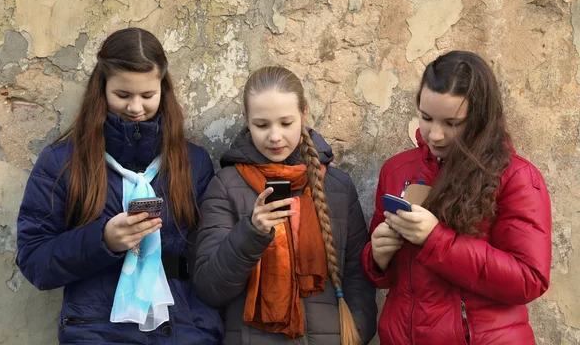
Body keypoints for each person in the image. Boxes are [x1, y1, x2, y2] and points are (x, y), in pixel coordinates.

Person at [16, 27, 223, 344]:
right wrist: (103, 240)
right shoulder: (61, 162)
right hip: (97, 329)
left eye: (148, 95)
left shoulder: (192, 162)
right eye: (123, 95)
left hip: (183, 327)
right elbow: (34, 261)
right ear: (102, 89)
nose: (136, 108)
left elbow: (207, 258)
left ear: (163, 90)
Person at [361, 51, 552, 344]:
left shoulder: (516, 177)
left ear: (480, 119)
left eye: (451, 123)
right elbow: (385, 277)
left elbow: (529, 279)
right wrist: (377, 256)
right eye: (426, 117)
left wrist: (436, 240)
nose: (434, 134)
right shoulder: (397, 170)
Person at [192, 66, 377, 344]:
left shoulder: (338, 187)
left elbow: (356, 277)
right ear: (246, 120)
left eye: (286, 123)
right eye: (262, 125)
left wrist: (356, 333)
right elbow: (209, 287)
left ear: (304, 115)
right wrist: (251, 233)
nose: (275, 137)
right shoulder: (226, 186)